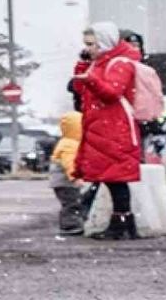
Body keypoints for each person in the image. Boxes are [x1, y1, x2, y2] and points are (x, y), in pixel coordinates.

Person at [73, 22, 144, 241]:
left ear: (104, 42)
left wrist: (91, 78)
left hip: (113, 126)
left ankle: (121, 224)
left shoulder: (120, 63)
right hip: (102, 126)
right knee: (111, 178)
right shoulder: (100, 62)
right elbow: (80, 89)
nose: (89, 49)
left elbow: (112, 92)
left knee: (115, 178)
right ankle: (124, 223)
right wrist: (83, 67)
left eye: (92, 44)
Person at [50, 111, 85, 235]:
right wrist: (75, 177)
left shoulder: (68, 142)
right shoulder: (70, 145)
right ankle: (70, 225)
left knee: (70, 203)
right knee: (71, 203)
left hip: (62, 182)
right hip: (65, 182)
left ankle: (71, 223)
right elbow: (69, 163)